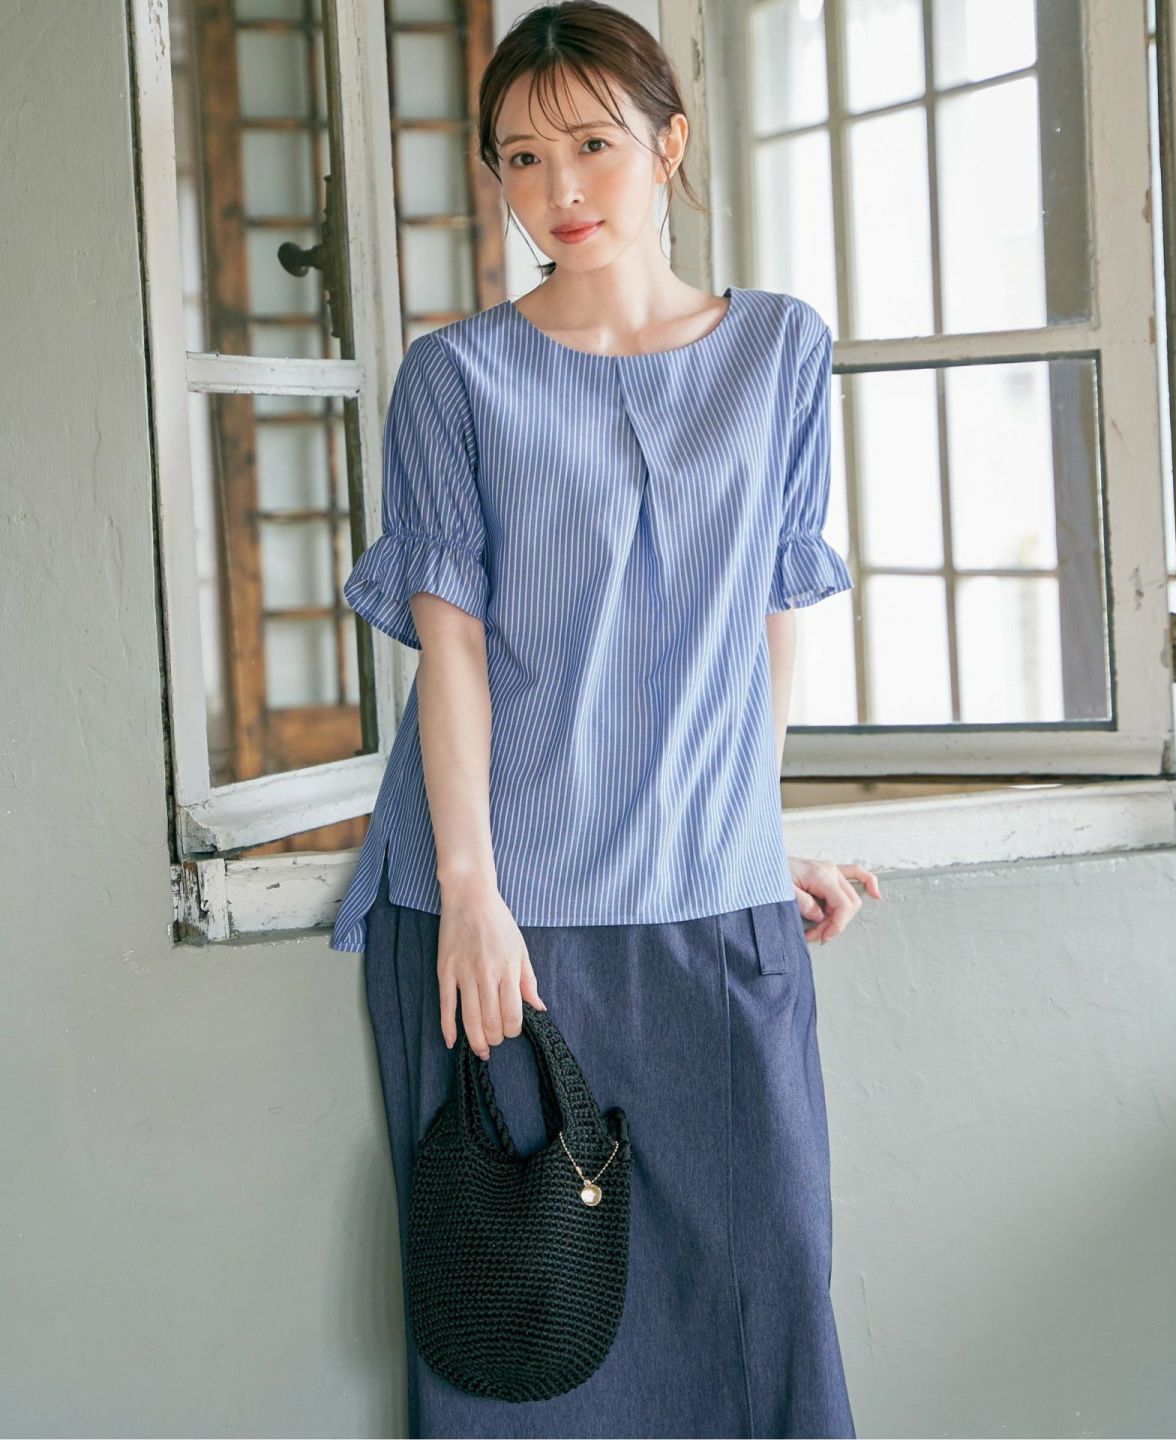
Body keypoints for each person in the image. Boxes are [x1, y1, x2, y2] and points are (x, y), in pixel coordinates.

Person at [330, 3, 881, 1434]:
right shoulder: (456, 377)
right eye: (521, 157)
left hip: (713, 899)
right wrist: (470, 892)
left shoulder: (779, 351)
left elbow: (764, 616)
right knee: (526, 1336)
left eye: (592, 144)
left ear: (669, 145)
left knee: (765, 1307)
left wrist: (748, 833)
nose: (558, 188)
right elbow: (451, 647)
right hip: (506, 920)